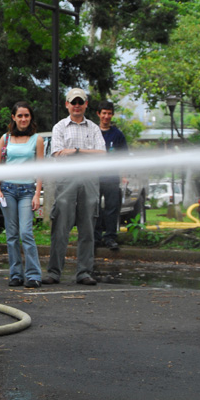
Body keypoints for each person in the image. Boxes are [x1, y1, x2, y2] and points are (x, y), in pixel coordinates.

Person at [43, 87, 105, 286]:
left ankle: (84, 273)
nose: (77, 106)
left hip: (89, 180)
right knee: (60, 228)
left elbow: (102, 155)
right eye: (73, 102)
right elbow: (58, 154)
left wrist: (75, 151)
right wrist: (87, 152)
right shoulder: (60, 127)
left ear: (86, 104)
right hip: (66, 180)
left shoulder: (94, 128)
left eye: (80, 102)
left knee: (87, 228)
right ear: (67, 104)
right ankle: (54, 272)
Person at [0, 101, 44, 288]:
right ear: (13, 117)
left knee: (26, 232)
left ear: (31, 118)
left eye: (27, 116)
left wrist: (37, 194)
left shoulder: (36, 139)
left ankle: (33, 275)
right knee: (11, 234)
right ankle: (15, 274)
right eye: (20, 116)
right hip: (8, 190)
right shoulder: (5, 139)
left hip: (27, 190)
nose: (23, 119)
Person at [94, 101, 128, 252]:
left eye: (109, 113)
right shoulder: (92, 132)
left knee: (112, 208)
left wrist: (124, 174)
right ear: (98, 114)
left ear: (112, 115)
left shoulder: (117, 134)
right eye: (104, 113)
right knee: (94, 207)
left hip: (112, 177)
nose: (106, 116)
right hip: (94, 177)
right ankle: (95, 237)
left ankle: (110, 237)